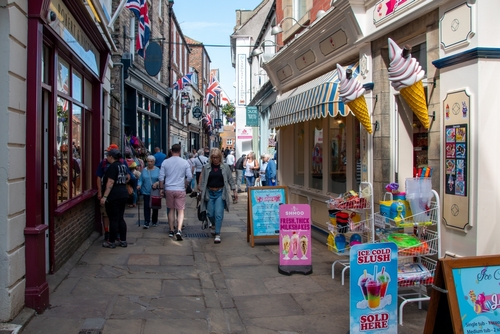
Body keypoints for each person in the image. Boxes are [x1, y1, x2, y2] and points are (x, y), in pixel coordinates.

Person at [197, 148, 237, 244]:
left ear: (220, 157)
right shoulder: (206, 167)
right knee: (210, 213)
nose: (215, 159)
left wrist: (234, 191)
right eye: (213, 157)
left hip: (220, 192)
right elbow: (203, 180)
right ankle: (214, 224)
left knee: (218, 213)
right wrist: (200, 190)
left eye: (217, 157)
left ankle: (217, 234)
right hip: (209, 193)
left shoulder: (225, 167)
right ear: (211, 158)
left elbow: (230, 179)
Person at [96, 144, 132, 242]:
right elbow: (128, 177)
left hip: (114, 195)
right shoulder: (123, 166)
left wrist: (104, 196)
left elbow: (110, 183)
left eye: (108, 155)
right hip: (123, 193)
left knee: (113, 218)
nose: (106, 157)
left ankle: (111, 241)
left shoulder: (112, 167)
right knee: (120, 218)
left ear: (111, 156)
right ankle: (123, 240)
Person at [159, 144, 193, 241]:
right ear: (180, 151)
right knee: (181, 210)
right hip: (180, 189)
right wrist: (185, 184)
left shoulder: (165, 162)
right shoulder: (184, 162)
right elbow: (189, 176)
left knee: (171, 210)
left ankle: (171, 230)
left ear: (171, 150)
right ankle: (179, 230)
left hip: (169, 189)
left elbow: (161, 177)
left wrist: (161, 188)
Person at [137, 155, 160, 229]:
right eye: (148, 161)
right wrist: (139, 185)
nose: (149, 163)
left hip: (155, 191)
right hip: (146, 191)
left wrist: (157, 183)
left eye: (151, 161)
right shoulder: (144, 170)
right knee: (146, 207)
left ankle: (154, 221)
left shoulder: (157, 170)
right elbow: (140, 179)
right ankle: (146, 221)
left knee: (155, 207)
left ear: (154, 162)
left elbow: (161, 179)